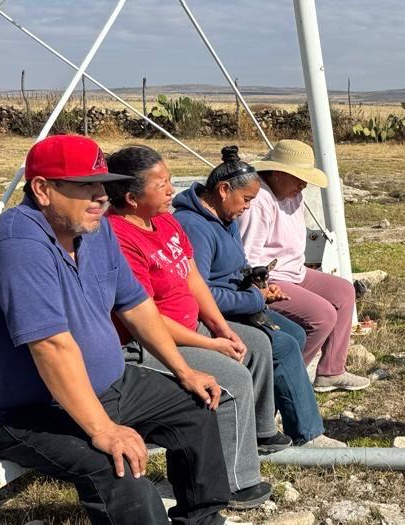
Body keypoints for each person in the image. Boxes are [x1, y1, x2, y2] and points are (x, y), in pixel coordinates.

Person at [0, 134, 229, 524]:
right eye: (86, 186)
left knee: (195, 405)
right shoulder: (19, 243)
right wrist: (103, 429)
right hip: (21, 412)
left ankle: (203, 518)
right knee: (117, 468)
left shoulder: (96, 232)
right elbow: (50, 345)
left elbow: (135, 305)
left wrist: (183, 370)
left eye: (103, 185)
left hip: (107, 387)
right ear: (43, 189)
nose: (101, 197)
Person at [106, 145, 289, 510]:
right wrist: (209, 346)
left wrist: (222, 328)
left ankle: (258, 433)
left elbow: (191, 277)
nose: (171, 189)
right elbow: (144, 319)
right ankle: (237, 483)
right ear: (130, 197)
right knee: (232, 379)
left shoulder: (165, 220)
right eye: (161, 184)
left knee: (255, 343)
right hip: (147, 344)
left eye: (170, 180)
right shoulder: (119, 237)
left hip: (189, 327)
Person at [173, 146, 344, 448]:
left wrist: (258, 283)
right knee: (283, 344)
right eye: (246, 200)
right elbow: (199, 292)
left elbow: (235, 267)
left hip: (238, 302)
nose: (248, 207)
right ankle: (303, 432)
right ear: (224, 190)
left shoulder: (223, 219)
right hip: (212, 314)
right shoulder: (195, 227)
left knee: (294, 332)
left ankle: (270, 409)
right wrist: (256, 299)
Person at [238, 139, 369, 392]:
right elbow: (249, 257)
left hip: (295, 270)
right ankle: (286, 383)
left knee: (343, 291)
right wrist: (262, 289)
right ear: (277, 173)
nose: (303, 183)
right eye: (297, 177)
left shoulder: (291, 194)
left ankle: (331, 371)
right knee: (321, 316)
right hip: (269, 277)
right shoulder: (260, 201)